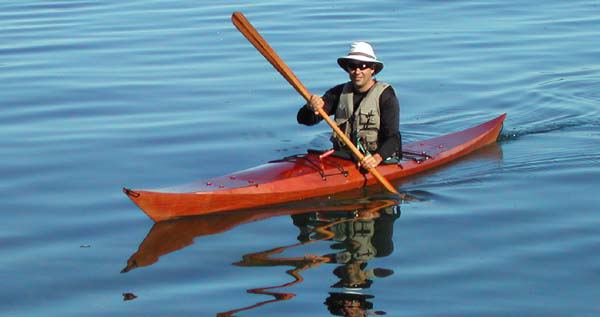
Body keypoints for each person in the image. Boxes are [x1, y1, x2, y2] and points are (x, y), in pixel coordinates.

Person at [297, 41, 401, 169]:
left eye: (363, 66)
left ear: (372, 69)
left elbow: (393, 138)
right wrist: (310, 107)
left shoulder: (386, 96)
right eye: (352, 66)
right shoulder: (338, 92)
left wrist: (376, 158)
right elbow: (304, 120)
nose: (357, 71)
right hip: (344, 156)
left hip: (374, 157)